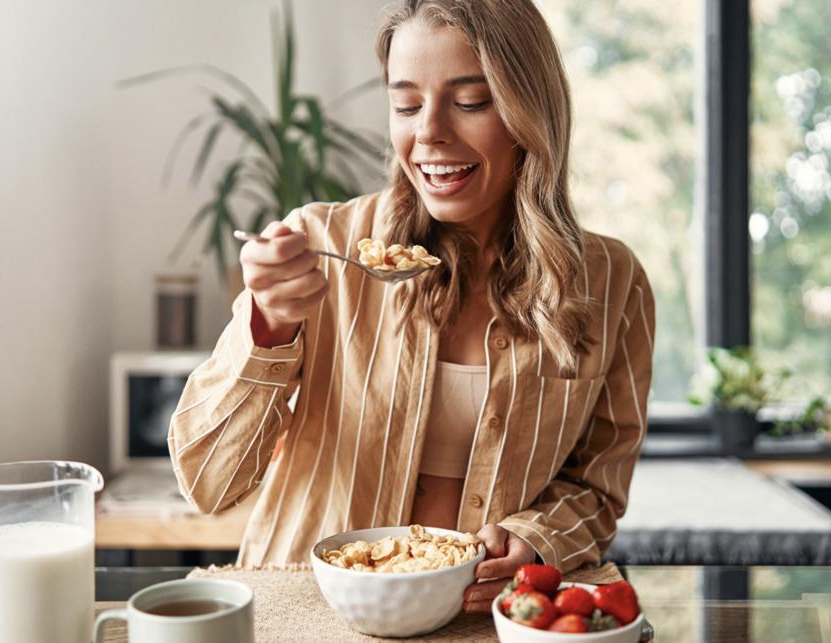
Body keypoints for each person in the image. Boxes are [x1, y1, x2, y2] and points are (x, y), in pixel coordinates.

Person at [168, 0, 655, 613]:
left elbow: (597, 487)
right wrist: (267, 325)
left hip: (490, 616)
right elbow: (207, 483)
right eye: (406, 104)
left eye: (471, 101)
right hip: (309, 608)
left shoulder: (613, 283)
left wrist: (536, 539)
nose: (429, 132)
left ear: (529, 112)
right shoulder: (321, 249)